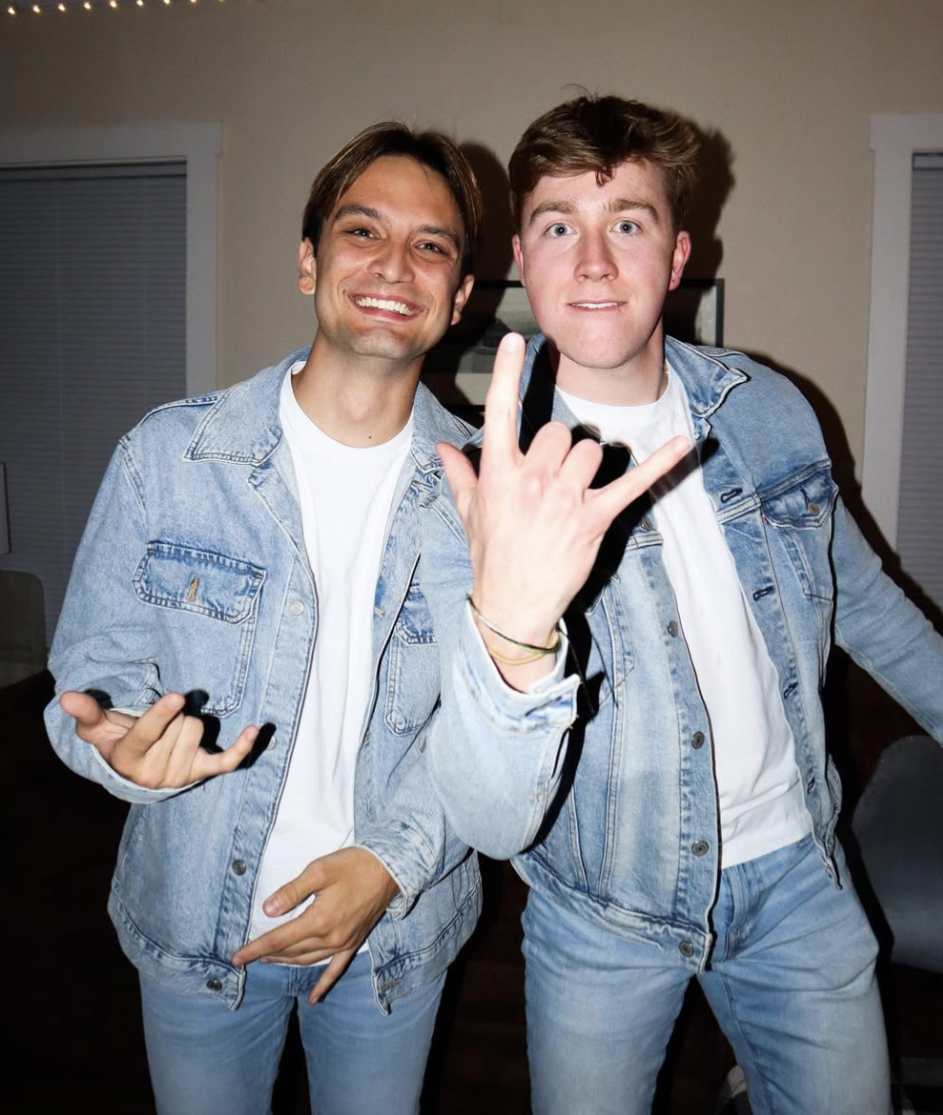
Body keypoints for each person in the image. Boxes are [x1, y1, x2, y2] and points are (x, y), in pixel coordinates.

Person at [421, 94, 943, 1115]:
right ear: (519, 259)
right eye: (558, 227)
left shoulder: (768, 409)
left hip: (797, 879)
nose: (593, 261)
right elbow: (488, 815)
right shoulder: (482, 482)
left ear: (677, 256)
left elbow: (863, 602)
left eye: (627, 223)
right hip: (601, 912)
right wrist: (514, 627)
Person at [45, 121, 485, 1115]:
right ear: (308, 262)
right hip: (195, 929)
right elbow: (91, 679)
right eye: (362, 231)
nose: (393, 264)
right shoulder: (169, 458)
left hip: (391, 934)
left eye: (430, 245)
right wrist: (124, 749)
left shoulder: (488, 496)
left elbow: (488, 727)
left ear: (458, 296)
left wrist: (390, 864)